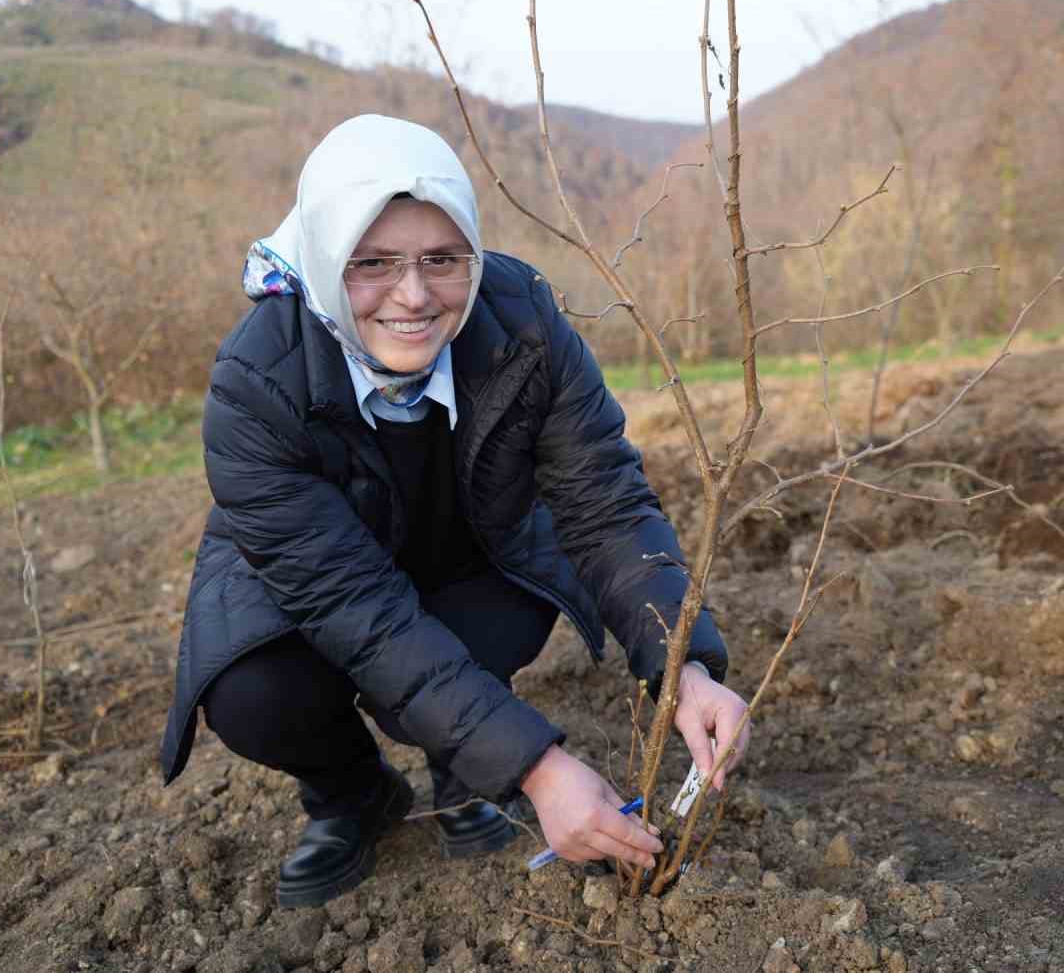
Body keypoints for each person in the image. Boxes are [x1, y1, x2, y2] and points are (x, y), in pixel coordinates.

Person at [159, 114, 750, 909]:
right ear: (327, 257)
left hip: (465, 555)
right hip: (312, 586)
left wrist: (685, 669)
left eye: (442, 259)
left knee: (494, 626)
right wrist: (538, 768)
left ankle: (462, 768)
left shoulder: (522, 320)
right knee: (254, 696)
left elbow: (603, 503)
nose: (413, 295)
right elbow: (354, 607)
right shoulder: (256, 382)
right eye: (372, 263)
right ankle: (352, 794)